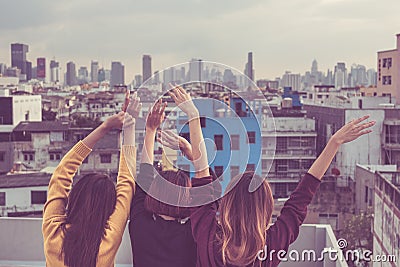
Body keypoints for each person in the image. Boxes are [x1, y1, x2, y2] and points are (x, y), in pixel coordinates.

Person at [188, 111, 375, 266]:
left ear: (228, 205)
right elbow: (302, 196)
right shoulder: (271, 244)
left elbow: (202, 178)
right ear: (265, 209)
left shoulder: (208, 236)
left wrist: (193, 116)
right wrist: (334, 143)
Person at [42, 92, 141, 267]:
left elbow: (61, 174)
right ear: (109, 207)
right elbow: (126, 182)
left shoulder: (54, 234)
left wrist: (105, 127)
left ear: (75, 197)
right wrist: (129, 127)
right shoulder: (107, 241)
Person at [128, 93, 207, 267]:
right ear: (187, 199)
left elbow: (145, 176)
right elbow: (206, 183)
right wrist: (190, 151)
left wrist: (150, 130)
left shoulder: (140, 225)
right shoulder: (192, 233)